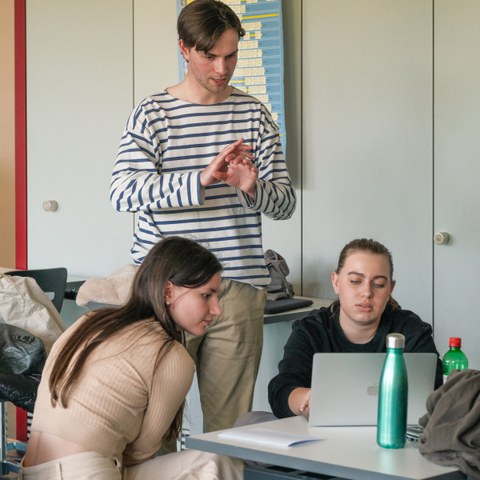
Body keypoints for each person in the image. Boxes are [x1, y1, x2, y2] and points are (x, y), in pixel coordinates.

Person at [109, 0, 296, 434]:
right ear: (184, 49)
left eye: (230, 55)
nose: (222, 66)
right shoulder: (152, 113)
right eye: (209, 55)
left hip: (240, 285)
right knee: (149, 426)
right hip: (168, 287)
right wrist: (199, 180)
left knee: (231, 429)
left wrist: (253, 188)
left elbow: (284, 205)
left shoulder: (254, 115)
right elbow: (121, 192)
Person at [18, 237, 242, 480]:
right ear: (168, 291)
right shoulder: (171, 355)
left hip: (29, 470)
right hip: (85, 472)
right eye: (207, 295)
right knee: (214, 463)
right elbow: (142, 452)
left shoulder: (90, 322)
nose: (217, 309)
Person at [268, 238, 443, 419]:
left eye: (379, 284)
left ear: (391, 288)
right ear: (336, 282)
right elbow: (282, 390)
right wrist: (306, 398)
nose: (367, 292)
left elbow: (437, 392)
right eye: (355, 281)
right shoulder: (311, 330)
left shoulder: (410, 331)